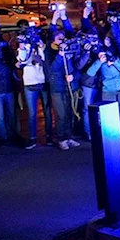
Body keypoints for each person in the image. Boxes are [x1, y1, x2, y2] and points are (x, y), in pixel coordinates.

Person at [45, 11, 81, 151]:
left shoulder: (69, 49)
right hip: (58, 87)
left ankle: (69, 136)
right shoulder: (50, 51)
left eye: (62, 37)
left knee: (70, 112)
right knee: (61, 114)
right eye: (58, 38)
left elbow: (77, 66)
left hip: (70, 86)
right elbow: (52, 68)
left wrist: (73, 76)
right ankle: (61, 138)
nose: (61, 40)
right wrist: (60, 55)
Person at [86, 42, 120, 140]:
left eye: (104, 55)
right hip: (107, 90)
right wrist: (99, 62)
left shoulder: (115, 58)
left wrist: (115, 62)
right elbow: (90, 73)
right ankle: (112, 135)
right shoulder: (99, 62)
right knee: (109, 114)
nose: (103, 56)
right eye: (100, 55)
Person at [17, 38, 53, 149]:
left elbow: (45, 59)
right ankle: (32, 138)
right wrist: (22, 47)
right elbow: (22, 60)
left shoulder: (40, 46)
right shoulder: (24, 48)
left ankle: (49, 136)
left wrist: (41, 46)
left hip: (43, 81)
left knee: (47, 110)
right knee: (32, 112)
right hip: (30, 82)